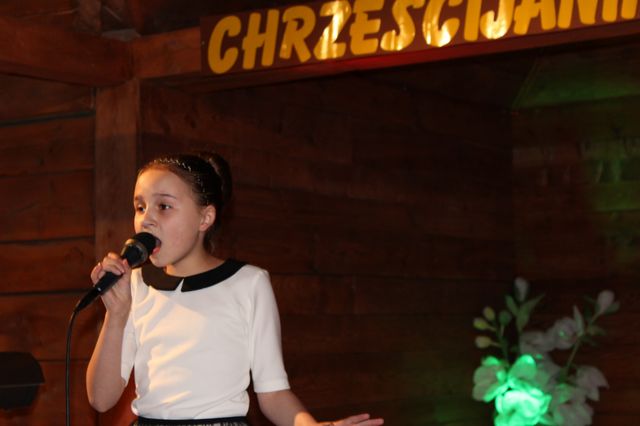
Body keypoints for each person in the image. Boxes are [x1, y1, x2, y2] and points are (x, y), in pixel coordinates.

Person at [86, 152, 384, 426]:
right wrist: (117, 314)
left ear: (205, 218)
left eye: (163, 206)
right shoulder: (135, 286)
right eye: (140, 207)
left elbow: (273, 393)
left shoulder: (248, 283)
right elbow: (100, 399)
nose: (146, 219)